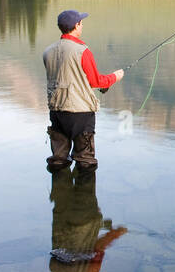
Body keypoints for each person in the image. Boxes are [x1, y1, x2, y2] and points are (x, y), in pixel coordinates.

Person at [42, 10, 123, 173]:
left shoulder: (48, 52)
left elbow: (68, 76)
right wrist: (115, 77)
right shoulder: (82, 51)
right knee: (85, 161)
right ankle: (83, 195)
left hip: (57, 112)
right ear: (76, 26)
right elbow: (95, 81)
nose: (82, 25)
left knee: (58, 160)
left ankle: (60, 193)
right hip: (81, 114)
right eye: (81, 22)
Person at [48, 168, 126, 272]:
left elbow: (99, 248)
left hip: (86, 218)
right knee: (63, 169)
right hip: (61, 213)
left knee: (86, 172)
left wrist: (116, 233)